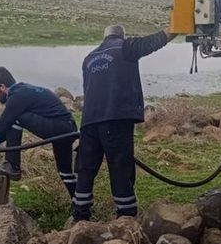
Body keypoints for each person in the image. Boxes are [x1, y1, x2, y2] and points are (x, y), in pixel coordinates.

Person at [72, 25, 175, 220]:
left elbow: (88, 88)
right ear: (121, 36)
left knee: (86, 167)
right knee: (120, 166)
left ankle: (80, 215)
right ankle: (126, 217)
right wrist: (179, 25)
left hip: (89, 120)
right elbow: (154, 42)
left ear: (105, 37)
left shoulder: (89, 58)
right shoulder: (125, 47)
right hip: (115, 118)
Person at [0, 67, 78, 196]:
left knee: (18, 117)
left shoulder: (17, 96)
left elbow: (0, 126)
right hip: (65, 129)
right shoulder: (22, 91)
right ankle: (81, 208)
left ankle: (13, 166)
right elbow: (8, 127)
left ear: (2, 87)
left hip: (61, 128)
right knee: (65, 172)